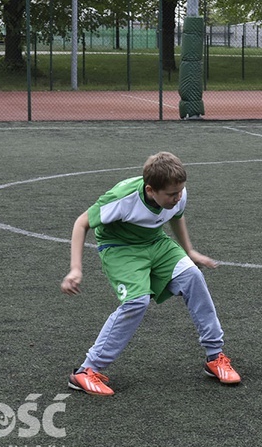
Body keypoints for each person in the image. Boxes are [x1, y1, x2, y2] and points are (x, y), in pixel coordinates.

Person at [61, 151, 241, 396]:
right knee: (136, 302)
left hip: (155, 242)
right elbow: (81, 223)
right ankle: (87, 371)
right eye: (171, 194)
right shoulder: (122, 198)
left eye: (180, 192)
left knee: (193, 277)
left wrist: (189, 251)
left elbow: (177, 216)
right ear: (150, 190)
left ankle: (215, 356)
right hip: (120, 248)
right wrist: (75, 268)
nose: (178, 197)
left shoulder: (178, 193)